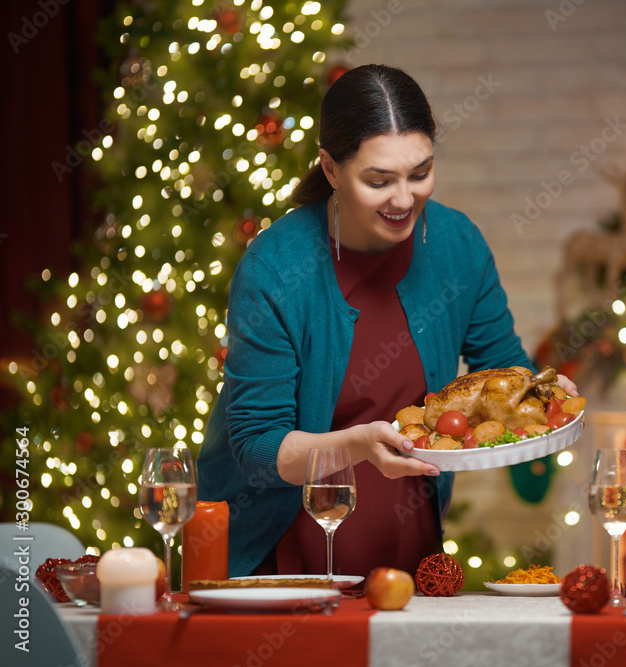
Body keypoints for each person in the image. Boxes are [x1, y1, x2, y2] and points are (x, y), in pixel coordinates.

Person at [197, 64, 577, 579]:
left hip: (409, 536)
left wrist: (545, 397)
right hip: (287, 551)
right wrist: (355, 446)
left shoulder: (457, 245)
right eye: (379, 181)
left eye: (420, 173)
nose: (404, 199)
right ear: (330, 169)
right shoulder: (276, 268)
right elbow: (259, 448)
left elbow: (503, 369)